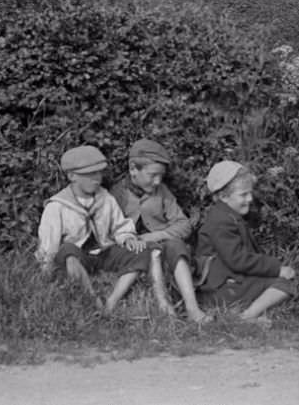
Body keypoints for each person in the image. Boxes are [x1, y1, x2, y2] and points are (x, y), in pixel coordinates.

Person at [36, 145, 153, 314]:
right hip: (77, 258)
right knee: (68, 249)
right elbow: (48, 243)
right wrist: (46, 271)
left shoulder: (105, 198)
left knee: (142, 253)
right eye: (90, 174)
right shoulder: (57, 206)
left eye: (99, 173)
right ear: (72, 176)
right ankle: (93, 300)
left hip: (103, 253)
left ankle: (112, 301)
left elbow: (120, 225)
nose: (97, 178)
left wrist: (128, 238)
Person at [110, 138, 211, 324]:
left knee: (177, 245)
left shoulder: (162, 192)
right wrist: (131, 240)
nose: (157, 181)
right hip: (134, 251)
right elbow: (109, 231)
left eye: (161, 176)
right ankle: (165, 308)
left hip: (164, 246)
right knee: (149, 253)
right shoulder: (117, 194)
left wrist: (154, 236)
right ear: (133, 169)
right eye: (152, 175)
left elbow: (183, 224)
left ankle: (192, 308)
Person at [195, 160, 295, 322]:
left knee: (285, 285)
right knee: (285, 284)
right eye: (243, 194)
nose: (249, 199)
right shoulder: (221, 221)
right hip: (220, 288)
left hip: (229, 283)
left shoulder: (228, 216)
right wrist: (276, 268)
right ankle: (245, 317)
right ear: (222, 196)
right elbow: (238, 260)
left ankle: (243, 311)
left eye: (250, 193)